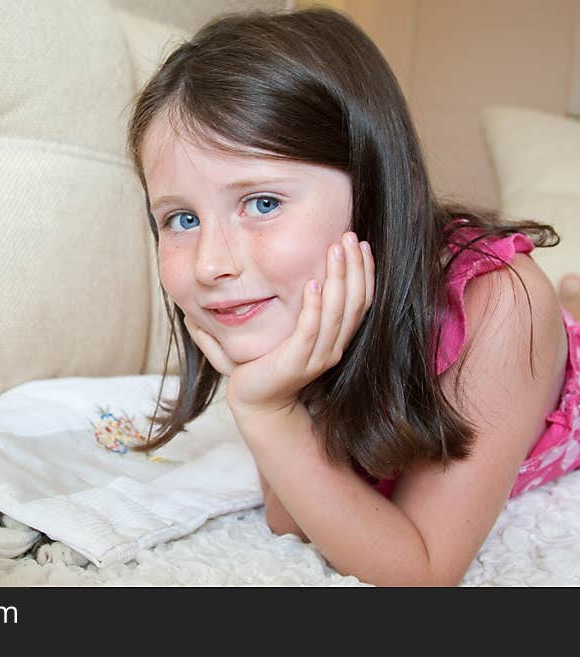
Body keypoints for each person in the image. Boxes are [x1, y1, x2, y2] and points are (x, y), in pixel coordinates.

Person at [126, 7, 580, 586]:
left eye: (263, 203)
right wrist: (273, 401)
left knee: (555, 305)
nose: (213, 264)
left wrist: (268, 413)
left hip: (530, 341)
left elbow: (421, 573)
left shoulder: (499, 303)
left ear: (375, 188)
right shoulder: (292, 301)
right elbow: (295, 520)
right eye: (182, 218)